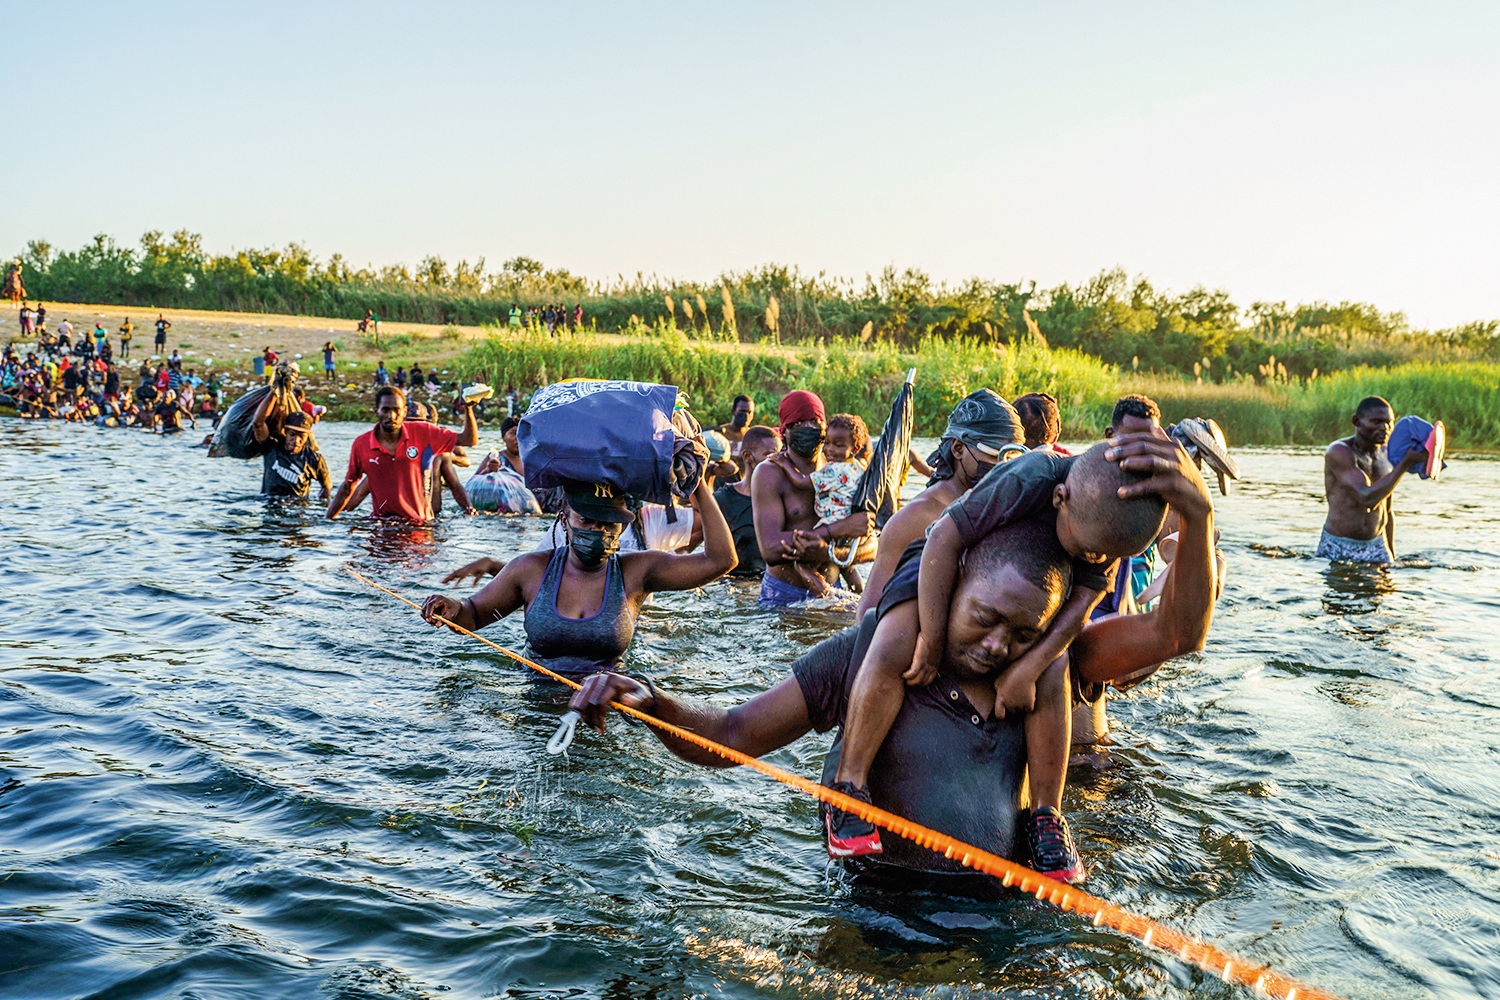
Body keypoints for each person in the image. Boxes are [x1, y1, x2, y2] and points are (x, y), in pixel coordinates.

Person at [568, 434, 1215, 883]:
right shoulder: (873, 650)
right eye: (983, 620)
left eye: (1020, 634)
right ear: (956, 586)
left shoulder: (1053, 667)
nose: (995, 645)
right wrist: (649, 702)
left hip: (1004, 937)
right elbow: (733, 734)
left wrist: (1198, 513)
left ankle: (1047, 823)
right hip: (879, 925)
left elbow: (1178, 632)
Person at [830, 437, 1173, 868]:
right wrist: (933, 640)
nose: (1089, 557)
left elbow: (1084, 599)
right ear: (1059, 499)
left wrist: (1029, 667)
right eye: (1083, 546)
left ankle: (1047, 816)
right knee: (896, 641)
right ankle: (849, 788)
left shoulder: (1108, 532)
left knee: (1055, 664)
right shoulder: (1029, 476)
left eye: (1099, 555)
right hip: (952, 561)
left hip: (1033, 592)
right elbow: (943, 538)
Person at [420, 476, 736, 677]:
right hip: (537, 711)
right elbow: (472, 615)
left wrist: (698, 485)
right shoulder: (531, 570)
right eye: (585, 520)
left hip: (606, 710)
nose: (597, 531)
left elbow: (721, 560)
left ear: (623, 526)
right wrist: (451, 607)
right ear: (565, 520)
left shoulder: (637, 572)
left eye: (608, 523)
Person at [858, 389, 1024, 615]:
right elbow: (868, 615)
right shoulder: (913, 519)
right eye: (994, 455)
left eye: (1011, 457)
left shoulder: (1007, 505)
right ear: (958, 449)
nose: (1003, 465)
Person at [752, 390, 872, 606]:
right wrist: (834, 535)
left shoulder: (844, 470)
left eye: (815, 421)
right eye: (798, 423)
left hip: (832, 591)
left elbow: (873, 545)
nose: (808, 428)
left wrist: (827, 551)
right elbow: (770, 549)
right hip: (784, 596)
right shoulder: (770, 472)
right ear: (785, 432)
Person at [325, 385, 480, 521]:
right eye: (385, 410)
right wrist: (329, 520)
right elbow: (351, 488)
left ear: (403, 412)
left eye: (396, 410)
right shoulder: (362, 445)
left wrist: (468, 409)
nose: (391, 416)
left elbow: (469, 441)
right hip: (383, 525)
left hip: (419, 525)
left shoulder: (426, 434)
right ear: (376, 411)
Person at [1318, 395, 1425, 563]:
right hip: (1340, 545)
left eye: (1389, 422)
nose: (1385, 428)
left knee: (1387, 589)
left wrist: (1391, 554)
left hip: (1377, 545)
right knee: (1342, 589)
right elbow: (1366, 498)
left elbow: (1387, 510)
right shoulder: (1339, 452)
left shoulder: (1387, 453)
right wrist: (1405, 463)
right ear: (1357, 421)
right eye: (1377, 422)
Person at [713, 426, 780, 578]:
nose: (777, 459)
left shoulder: (784, 497)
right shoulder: (724, 500)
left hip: (773, 584)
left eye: (779, 453)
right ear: (747, 456)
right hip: (735, 588)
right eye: (769, 454)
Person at [257, 411, 332, 500]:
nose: (296, 440)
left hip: (297, 505)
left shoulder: (313, 459)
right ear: (285, 432)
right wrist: (272, 396)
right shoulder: (271, 448)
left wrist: (322, 503)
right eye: (292, 435)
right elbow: (258, 424)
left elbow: (327, 486)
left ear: (308, 436)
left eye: (302, 436)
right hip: (270, 501)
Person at [710, 394, 756, 476]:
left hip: (744, 484)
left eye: (749, 412)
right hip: (721, 483)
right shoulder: (720, 434)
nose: (746, 416)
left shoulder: (752, 436)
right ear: (733, 411)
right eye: (742, 411)